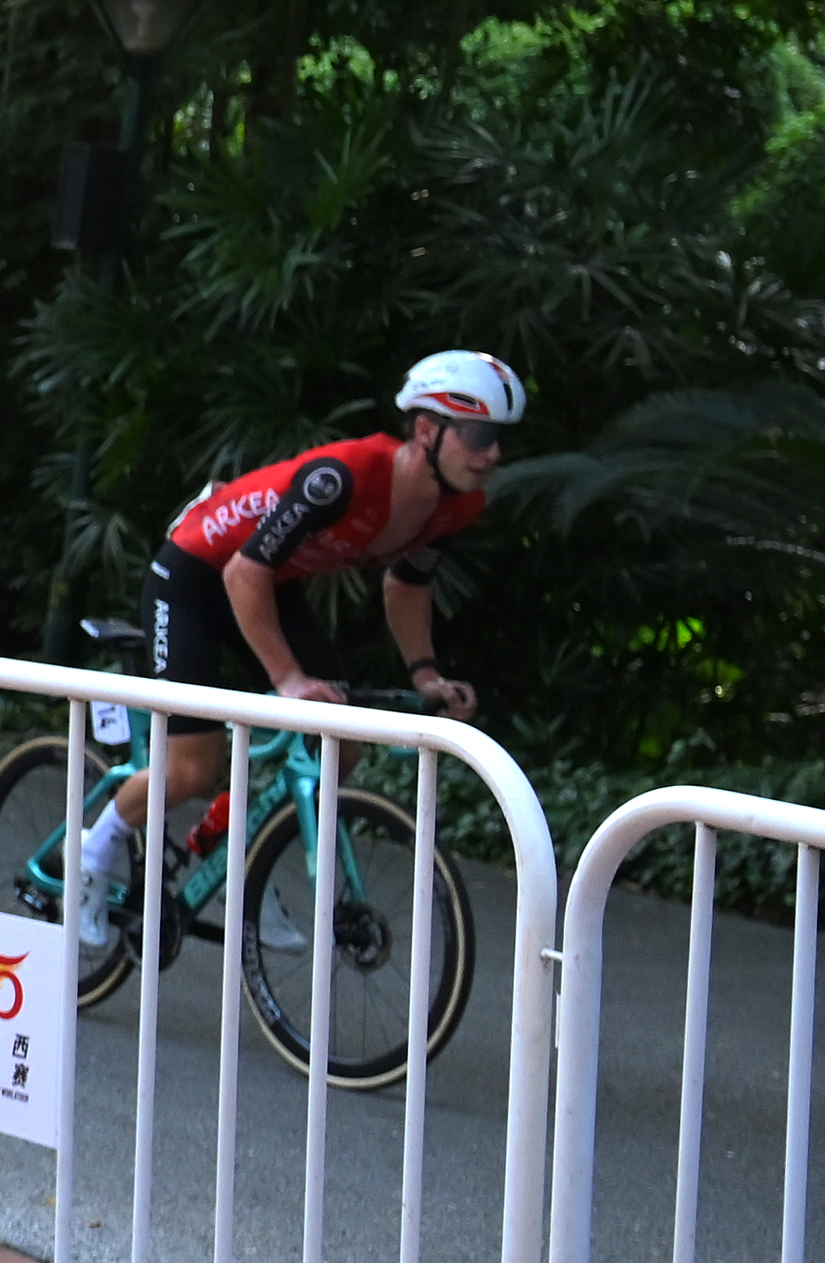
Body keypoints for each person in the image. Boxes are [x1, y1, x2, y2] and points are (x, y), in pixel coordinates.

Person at [87, 354, 524, 947]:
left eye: (500, 439)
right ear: (428, 431)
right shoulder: (342, 478)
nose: (493, 453)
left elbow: (408, 584)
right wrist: (288, 680)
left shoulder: (455, 505)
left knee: (340, 745)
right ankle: (93, 854)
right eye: (481, 436)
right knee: (196, 765)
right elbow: (243, 572)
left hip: (270, 586)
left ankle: (234, 857)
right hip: (194, 578)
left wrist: (425, 674)